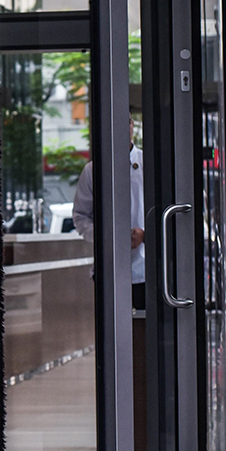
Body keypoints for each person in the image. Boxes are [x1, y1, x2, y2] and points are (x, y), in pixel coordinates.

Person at [72, 117, 145, 309]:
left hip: (147, 271)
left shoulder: (149, 164)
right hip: (109, 270)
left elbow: (164, 212)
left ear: (133, 126)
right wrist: (105, 235)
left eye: (127, 121)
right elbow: (80, 216)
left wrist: (145, 234)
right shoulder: (93, 170)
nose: (123, 127)